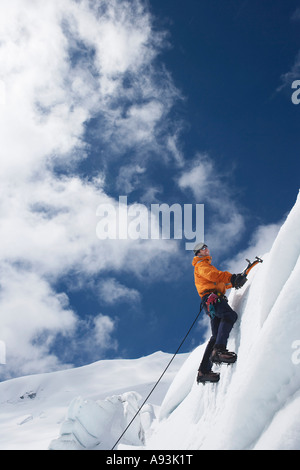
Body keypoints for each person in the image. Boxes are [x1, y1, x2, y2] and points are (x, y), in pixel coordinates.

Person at [192, 242, 247, 384]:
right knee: (229, 316)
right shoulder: (201, 264)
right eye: (203, 248)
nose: (206, 249)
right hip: (213, 298)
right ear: (198, 253)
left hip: (211, 300)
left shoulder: (204, 265)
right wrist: (231, 277)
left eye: (207, 247)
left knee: (216, 336)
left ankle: (203, 371)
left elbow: (219, 283)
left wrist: (233, 282)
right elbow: (213, 276)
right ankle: (219, 350)